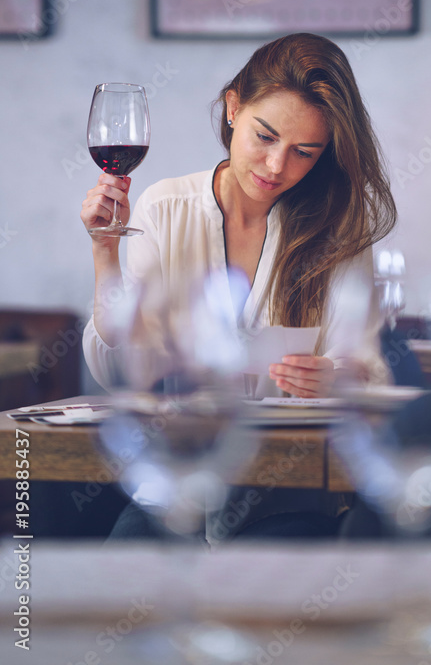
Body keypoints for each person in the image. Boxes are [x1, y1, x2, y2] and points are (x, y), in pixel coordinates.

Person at [80, 32, 397, 539]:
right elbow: (114, 364)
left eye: (305, 152)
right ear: (233, 108)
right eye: (265, 137)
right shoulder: (164, 209)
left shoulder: (337, 232)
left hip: (287, 493)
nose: (277, 167)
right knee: (128, 565)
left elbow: (372, 374)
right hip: (179, 481)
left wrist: (336, 378)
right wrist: (104, 251)